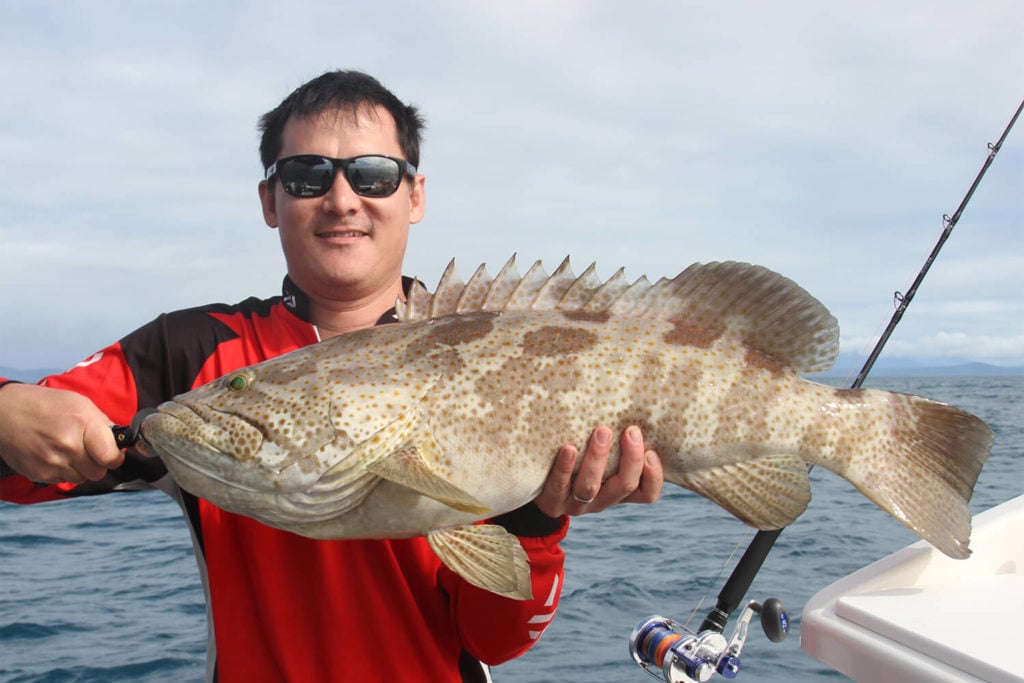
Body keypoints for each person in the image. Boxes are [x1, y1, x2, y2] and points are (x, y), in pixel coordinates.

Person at [0, 70, 663, 682]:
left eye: (374, 174)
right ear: (270, 198)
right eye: (307, 174)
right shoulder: (194, 358)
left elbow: (493, 639)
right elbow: (22, 465)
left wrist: (539, 520)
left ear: (415, 194)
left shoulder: (500, 349)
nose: (342, 198)